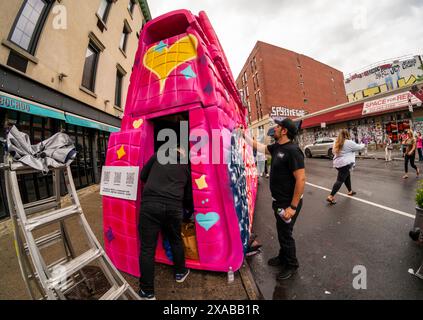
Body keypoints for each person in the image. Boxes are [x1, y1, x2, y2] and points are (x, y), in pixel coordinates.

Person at [241, 118, 306, 280]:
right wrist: (244, 135)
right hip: (279, 201)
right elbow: (260, 147)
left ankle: (291, 264)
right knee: (282, 231)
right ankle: (283, 257)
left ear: (284, 131)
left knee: (285, 234)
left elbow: (301, 180)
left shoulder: (293, 151)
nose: (274, 128)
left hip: (288, 203)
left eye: (278, 126)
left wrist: (292, 207)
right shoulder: (278, 147)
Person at [138, 146, 193, 300]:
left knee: (147, 248)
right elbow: (188, 197)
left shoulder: (157, 156)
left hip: (150, 205)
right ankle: (180, 272)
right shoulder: (185, 168)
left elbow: (143, 176)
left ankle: (147, 292)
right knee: (176, 240)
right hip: (174, 208)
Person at [326, 129, 364, 205]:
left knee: (347, 176)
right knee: (340, 180)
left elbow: (333, 152)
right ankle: (331, 196)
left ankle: (350, 191)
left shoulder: (336, 142)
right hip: (345, 164)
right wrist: (363, 143)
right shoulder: (349, 142)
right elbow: (359, 147)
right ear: (347, 134)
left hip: (338, 163)